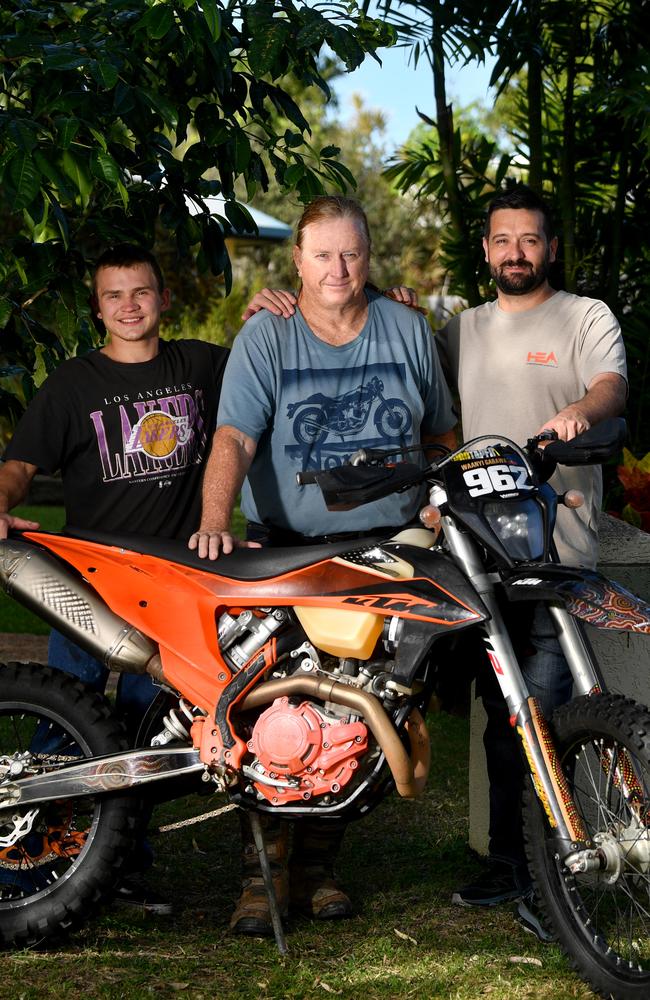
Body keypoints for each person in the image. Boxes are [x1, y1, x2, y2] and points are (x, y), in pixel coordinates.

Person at [189, 195, 457, 935]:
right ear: (297, 262)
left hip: (388, 549)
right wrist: (216, 520)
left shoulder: (407, 328)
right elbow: (235, 438)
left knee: (364, 709)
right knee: (268, 708)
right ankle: (260, 878)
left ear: (368, 257)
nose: (338, 269)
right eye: (323, 255)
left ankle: (319, 869)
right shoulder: (266, 337)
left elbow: (441, 430)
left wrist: (438, 494)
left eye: (352, 254)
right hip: (286, 550)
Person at [0, 244, 229, 913]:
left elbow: (271, 367)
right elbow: (19, 465)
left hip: (171, 587)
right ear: (98, 307)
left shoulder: (201, 365)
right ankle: (34, 864)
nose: (129, 306)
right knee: (64, 719)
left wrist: (275, 310)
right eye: (114, 296)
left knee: (146, 732)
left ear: (163, 297)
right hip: (89, 588)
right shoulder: (73, 385)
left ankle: (121, 865)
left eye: (141, 293)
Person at [434, 184, 627, 929]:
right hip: (479, 561)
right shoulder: (459, 331)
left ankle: (559, 876)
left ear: (550, 248)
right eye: (502, 240)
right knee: (504, 717)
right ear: (485, 250)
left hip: (557, 556)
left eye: (530, 240)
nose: (516, 252)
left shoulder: (584, 317)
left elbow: (610, 384)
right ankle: (513, 868)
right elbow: (431, 416)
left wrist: (583, 409)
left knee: (548, 712)